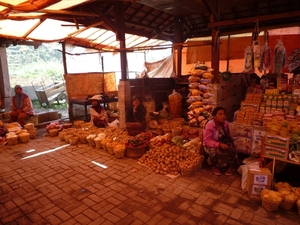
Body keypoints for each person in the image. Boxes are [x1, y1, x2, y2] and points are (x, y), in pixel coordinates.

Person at [203, 107, 236, 176]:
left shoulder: (227, 124)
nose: (223, 116)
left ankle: (230, 166)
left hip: (222, 142)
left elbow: (230, 136)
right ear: (214, 116)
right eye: (220, 114)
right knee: (214, 151)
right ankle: (215, 166)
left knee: (233, 147)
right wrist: (219, 144)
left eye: (224, 114)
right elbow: (207, 140)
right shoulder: (210, 125)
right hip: (211, 144)